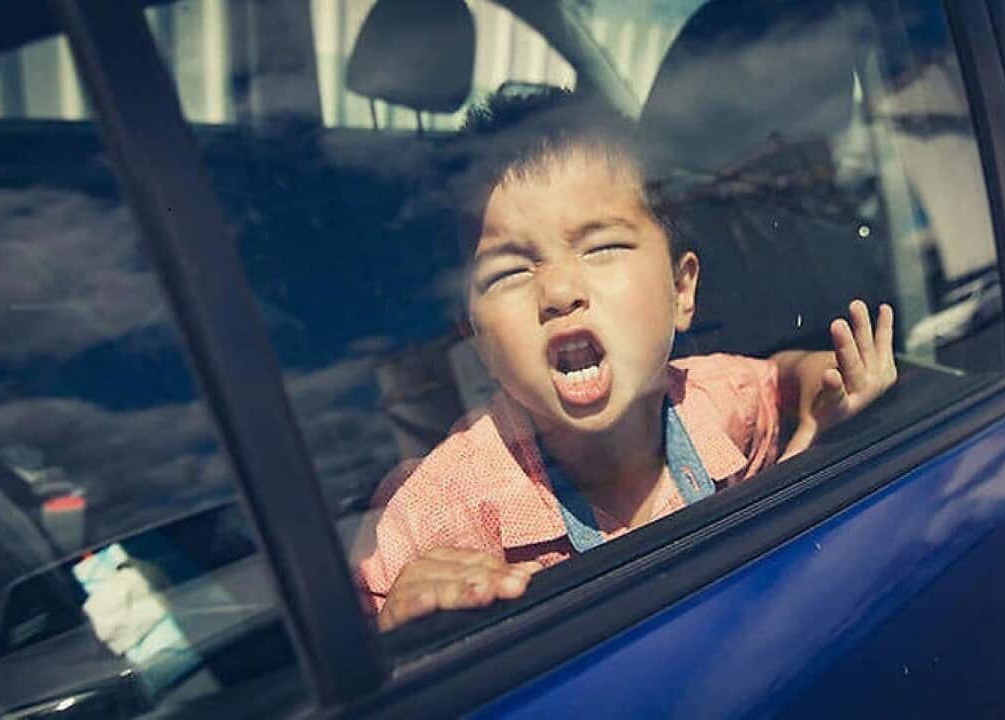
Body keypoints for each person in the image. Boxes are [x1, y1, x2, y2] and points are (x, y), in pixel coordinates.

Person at [354, 88, 897, 631]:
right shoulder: (440, 508)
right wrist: (400, 616)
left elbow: (781, 377)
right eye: (510, 271)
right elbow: (363, 626)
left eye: (601, 247)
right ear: (475, 338)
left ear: (681, 290)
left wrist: (825, 389)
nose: (560, 291)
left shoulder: (711, 402)